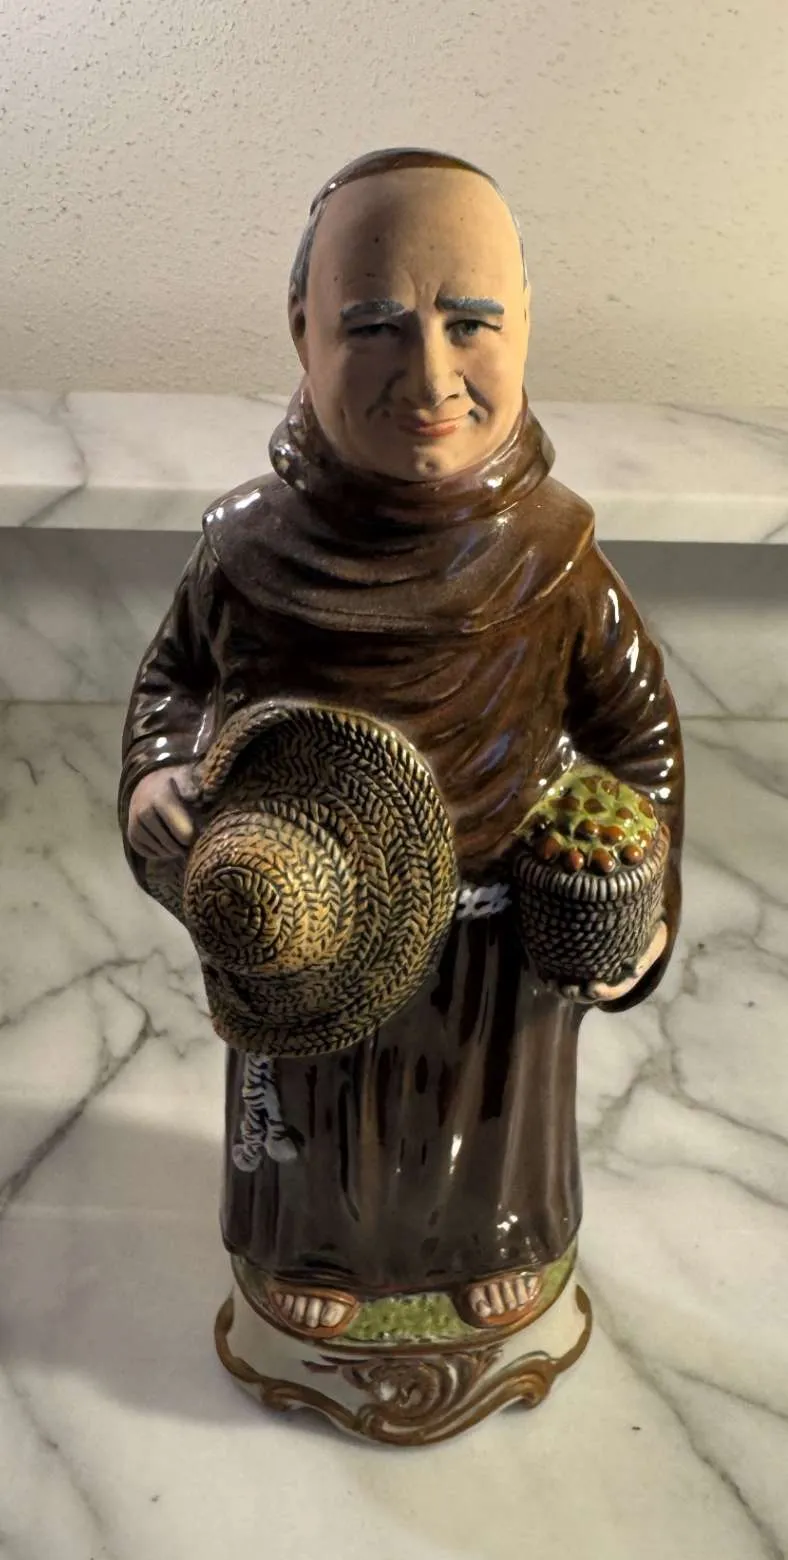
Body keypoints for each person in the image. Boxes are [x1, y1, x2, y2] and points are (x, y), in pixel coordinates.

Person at [119, 148, 683, 1342]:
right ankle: (311, 1248)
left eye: (468, 321)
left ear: (523, 325)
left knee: (488, 1124)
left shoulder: (551, 556)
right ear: (302, 329)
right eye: (374, 325)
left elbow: (636, 736)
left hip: (493, 938)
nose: (429, 374)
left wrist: (636, 901)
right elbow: (173, 680)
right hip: (302, 911)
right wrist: (158, 776)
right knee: (314, 1120)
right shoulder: (247, 551)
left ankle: (496, 1241)